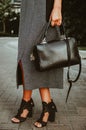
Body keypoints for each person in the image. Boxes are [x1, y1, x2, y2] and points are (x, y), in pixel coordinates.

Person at [11, 0, 63, 128]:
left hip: (43, 7)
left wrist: (57, 6)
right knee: (25, 55)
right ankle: (38, 103)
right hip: (28, 7)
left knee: (40, 55)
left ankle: (34, 104)